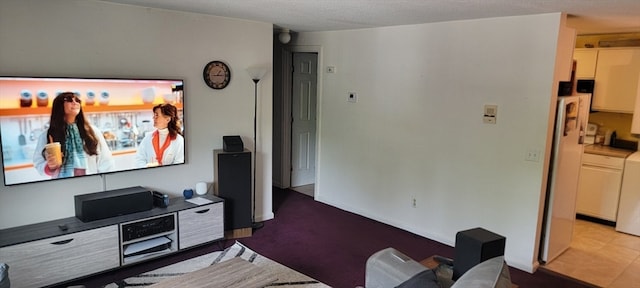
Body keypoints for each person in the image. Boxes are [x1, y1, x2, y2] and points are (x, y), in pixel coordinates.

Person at [34, 92, 115, 178]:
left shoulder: (92, 132)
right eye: (69, 99)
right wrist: (49, 167)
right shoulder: (47, 135)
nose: (75, 102)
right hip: (62, 187)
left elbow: (106, 161)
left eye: (77, 100)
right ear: (59, 105)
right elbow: (38, 161)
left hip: (91, 185)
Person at [135, 103, 184, 167]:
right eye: (154, 115)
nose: (153, 118)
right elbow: (139, 159)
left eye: (156, 115)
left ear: (167, 119)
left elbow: (179, 165)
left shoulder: (179, 140)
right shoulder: (148, 138)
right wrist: (146, 167)